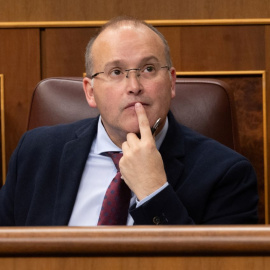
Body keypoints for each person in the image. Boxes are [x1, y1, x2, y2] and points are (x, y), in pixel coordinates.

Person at [0, 16, 258, 226]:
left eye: (148, 69)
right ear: (90, 91)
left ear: (171, 82)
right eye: (116, 72)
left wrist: (154, 191)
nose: (134, 86)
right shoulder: (35, 153)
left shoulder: (228, 174)